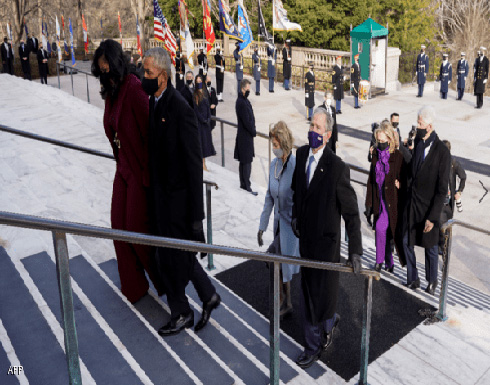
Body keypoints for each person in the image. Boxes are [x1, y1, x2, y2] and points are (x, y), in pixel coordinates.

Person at [142, 47, 220, 336]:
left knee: (170, 259)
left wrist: (197, 218)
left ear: (162, 76)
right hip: (161, 199)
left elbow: (192, 168)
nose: (144, 77)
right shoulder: (155, 102)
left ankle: (182, 312)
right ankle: (208, 295)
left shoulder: (180, 109)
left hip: (178, 204)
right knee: (177, 256)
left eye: (148, 72)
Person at [91, 39, 163, 304]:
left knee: (134, 228)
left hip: (139, 169)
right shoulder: (111, 92)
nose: (104, 73)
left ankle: (162, 280)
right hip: (122, 167)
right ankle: (133, 286)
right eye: (100, 69)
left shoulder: (133, 87)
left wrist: (151, 175)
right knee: (117, 228)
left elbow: (152, 129)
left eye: (106, 66)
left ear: (115, 62)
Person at [291, 108, 362, 369]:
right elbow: (297, 191)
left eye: (318, 128)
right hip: (306, 241)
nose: (313, 131)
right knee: (309, 294)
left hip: (327, 244)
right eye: (312, 125)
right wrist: (295, 216)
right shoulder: (300, 155)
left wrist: (355, 250)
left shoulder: (337, 168)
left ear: (328, 134)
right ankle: (315, 341)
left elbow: (352, 213)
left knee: (322, 295)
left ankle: (318, 338)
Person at [402, 106, 450, 295]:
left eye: (420, 123)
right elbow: (413, 172)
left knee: (430, 247)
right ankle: (413, 277)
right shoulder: (419, 144)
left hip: (429, 208)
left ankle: (432, 281)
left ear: (429, 126)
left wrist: (432, 217)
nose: (418, 126)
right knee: (406, 241)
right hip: (413, 205)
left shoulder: (442, 152)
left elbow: (441, 191)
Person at [258, 121, 300, 319]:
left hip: (291, 227)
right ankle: (287, 301)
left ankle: (284, 300)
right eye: (272, 145)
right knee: (279, 264)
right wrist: (262, 225)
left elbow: (302, 197)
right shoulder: (275, 165)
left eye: (275, 145)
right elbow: (269, 197)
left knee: (275, 261)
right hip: (278, 225)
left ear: (283, 143)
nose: (273, 149)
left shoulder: (295, 165)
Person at [365, 121, 407, 272]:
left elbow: (407, 177)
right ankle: (381, 262)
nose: (380, 144)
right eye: (379, 141)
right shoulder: (375, 154)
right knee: (380, 229)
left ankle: (388, 263)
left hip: (393, 202)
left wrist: (400, 184)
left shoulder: (399, 156)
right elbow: (371, 180)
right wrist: (368, 203)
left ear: (390, 139)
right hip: (380, 201)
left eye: (383, 141)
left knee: (388, 233)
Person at [439, 140, 466, 253]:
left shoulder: (453, 163)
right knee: (440, 222)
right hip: (439, 199)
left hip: (449, 201)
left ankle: (444, 246)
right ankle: (441, 246)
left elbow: (463, 177)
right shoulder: (437, 162)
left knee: (446, 223)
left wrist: (459, 191)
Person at [235, 79, 258, 196]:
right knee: (246, 161)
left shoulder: (244, 100)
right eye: (248, 89)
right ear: (243, 88)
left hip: (245, 136)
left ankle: (244, 184)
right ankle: (246, 186)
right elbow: (246, 121)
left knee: (244, 161)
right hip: (245, 136)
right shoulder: (241, 102)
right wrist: (253, 131)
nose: (249, 91)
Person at [194, 74, 216, 171]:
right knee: (201, 143)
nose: (199, 82)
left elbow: (207, 107)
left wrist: (208, 118)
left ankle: (204, 163)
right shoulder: (195, 94)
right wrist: (202, 119)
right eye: (197, 80)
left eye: (200, 80)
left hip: (206, 122)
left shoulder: (205, 92)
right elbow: (196, 109)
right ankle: (202, 164)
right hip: (200, 123)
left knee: (206, 143)